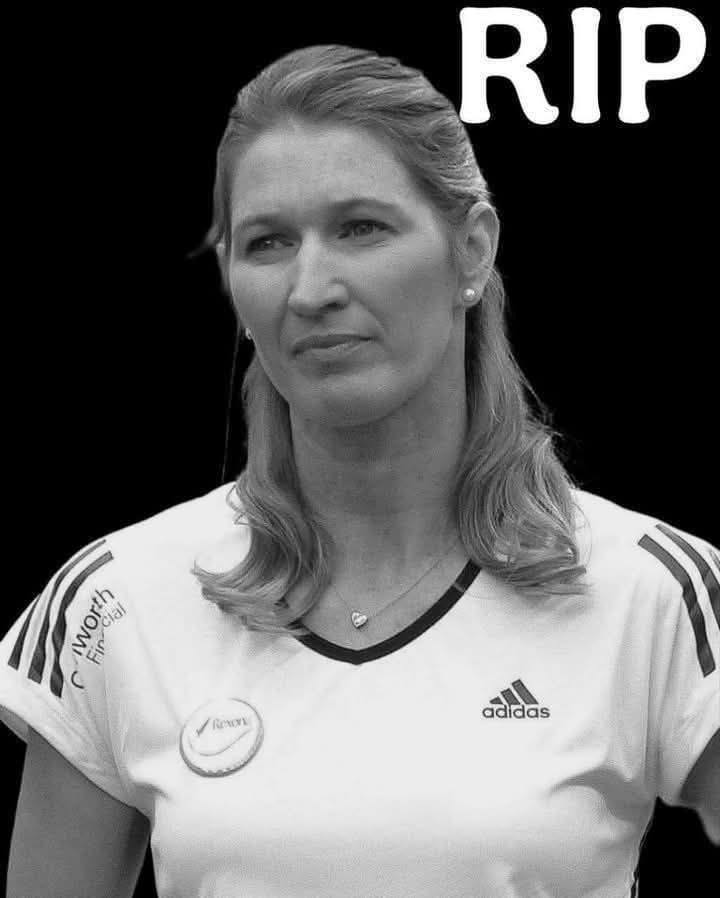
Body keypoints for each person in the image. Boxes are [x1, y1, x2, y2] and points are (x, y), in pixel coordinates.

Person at [2, 43, 718, 898]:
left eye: (361, 228)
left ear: (472, 250)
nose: (310, 289)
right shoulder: (115, 599)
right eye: (268, 242)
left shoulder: (652, 589)